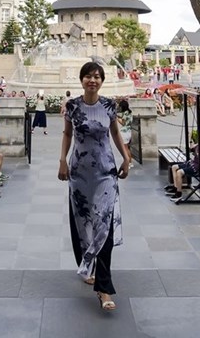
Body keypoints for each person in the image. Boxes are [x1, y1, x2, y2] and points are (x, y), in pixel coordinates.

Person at [58, 62, 130, 312]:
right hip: (79, 173)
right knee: (83, 224)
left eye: (97, 76)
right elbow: (67, 134)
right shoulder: (72, 106)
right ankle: (87, 265)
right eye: (88, 76)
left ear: (102, 81)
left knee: (104, 227)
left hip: (105, 173)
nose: (93, 80)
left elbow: (116, 134)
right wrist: (62, 162)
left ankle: (104, 288)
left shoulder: (109, 105)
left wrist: (126, 157)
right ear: (81, 80)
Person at [165, 128, 200, 198]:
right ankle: (176, 187)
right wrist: (189, 136)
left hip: (196, 167)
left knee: (179, 172)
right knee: (174, 167)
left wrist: (197, 153)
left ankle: (179, 193)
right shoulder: (199, 143)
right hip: (191, 163)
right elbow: (190, 148)